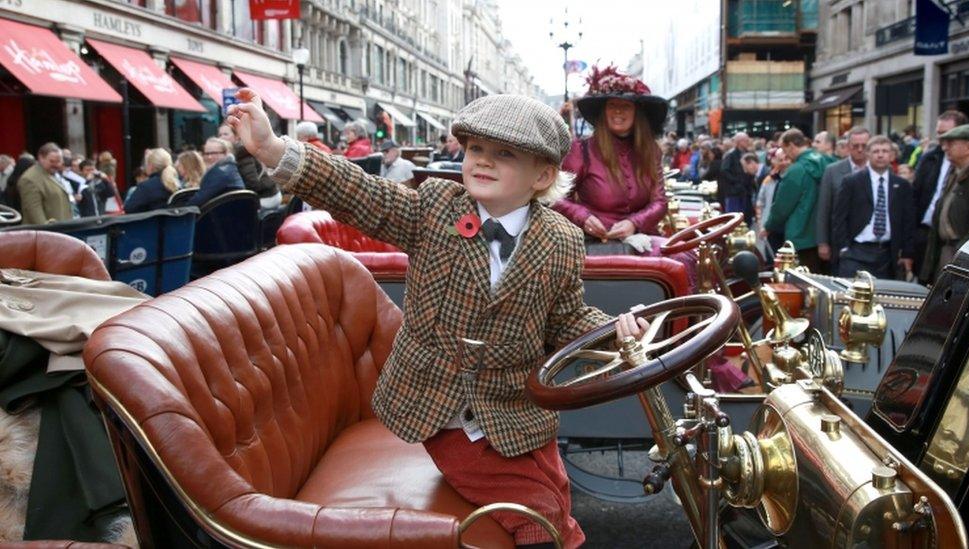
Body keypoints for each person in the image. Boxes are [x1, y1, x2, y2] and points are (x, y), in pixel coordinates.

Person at [226, 88, 651, 549]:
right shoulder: (434, 207)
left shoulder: (562, 240)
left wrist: (614, 330)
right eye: (475, 149)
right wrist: (274, 150)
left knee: (555, 486)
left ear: (543, 174)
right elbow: (358, 192)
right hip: (439, 407)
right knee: (536, 512)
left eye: (504, 153)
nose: (482, 161)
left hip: (513, 405)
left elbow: (565, 317)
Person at [552, 65, 698, 287]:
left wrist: (634, 223)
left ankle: (683, 321)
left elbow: (659, 202)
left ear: (636, 113)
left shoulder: (651, 151)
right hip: (591, 241)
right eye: (613, 105)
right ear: (604, 112)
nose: (618, 112)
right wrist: (583, 218)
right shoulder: (580, 150)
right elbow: (556, 197)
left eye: (625, 106)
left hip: (641, 239)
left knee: (684, 258)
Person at [832, 136, 915, 279]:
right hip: (856, 252)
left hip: (887, 254)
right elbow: (839, 217)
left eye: (885, 151)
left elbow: (908, 220)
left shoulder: (901, 185)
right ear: (868, 154)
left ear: (892, 155)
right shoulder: (852, 182)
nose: (880, 155)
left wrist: (907, 252)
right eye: (876, 151)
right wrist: (844, 248)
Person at [913, 110, 969, 282]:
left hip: (956, 243)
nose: (942, 140)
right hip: (926, 234)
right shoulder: (929, 158)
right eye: (938, 133)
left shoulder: (967, 167)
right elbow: (916, 195)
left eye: (946, 135)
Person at [765, 129, 831, 270]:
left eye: (784, 148)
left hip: (801, 235)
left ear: (791, 146)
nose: (784, 154)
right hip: (826, 234)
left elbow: (782, 207)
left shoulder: (796, 170)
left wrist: (768, 226)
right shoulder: (828, 161)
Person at [922, 124, 969, 281]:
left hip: (962, 255)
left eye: (951, 143)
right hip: (948, 250)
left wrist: (963, 254)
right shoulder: (955, 172)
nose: (945, 148)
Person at [816, 126, 871, 272]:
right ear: (848, 147)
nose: (860, 149)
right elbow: (824, 208)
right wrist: (822, 242)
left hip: (870, 243)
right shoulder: (832, 171)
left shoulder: (878, 170)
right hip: (840, 240)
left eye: (864, 146)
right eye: (855, 146)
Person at [219, 123, 281, 210]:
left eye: (225, 134)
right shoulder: (232, 154)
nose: (222, 137)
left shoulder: (242, 153)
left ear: (237, 137)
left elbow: (252, 183)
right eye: (220, 135)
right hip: (265, 194)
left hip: (266, 197)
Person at [18, 143, 73, 225]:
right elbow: (34, 213)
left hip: (63, 229)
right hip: (47, 233)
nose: (57, 165)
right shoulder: (29, 179)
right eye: (52, 161)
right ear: (41, 158)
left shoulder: (54, 174)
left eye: (59, 161)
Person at [187, 137, 245, 207]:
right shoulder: (230, 168)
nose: (209, 157)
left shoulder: (220, 172)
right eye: (206, 154)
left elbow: (198, 201)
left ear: (226, 153)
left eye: (214, 153)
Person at [756, 147, 790, 259]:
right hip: (770, 227)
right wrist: (761, 225)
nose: (784, 163)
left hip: (789, 229)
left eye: (786, 159)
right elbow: (760, 203)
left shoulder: (794, 178)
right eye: (780, 160)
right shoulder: (768, 180)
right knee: (771, 260)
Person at [123, 148, 179, 213]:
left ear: (151, 166)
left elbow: (128, 209)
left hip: (153, 222)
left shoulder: (146, 187)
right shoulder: (178, 184)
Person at [719, 132, 754, 224]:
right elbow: (724, 171)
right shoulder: (730, 155)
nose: (748, 142)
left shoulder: (748, 154)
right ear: (740, 142)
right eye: (746, 140)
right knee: (733, 217)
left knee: (745, 217)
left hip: (746, 191)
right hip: (734, 192)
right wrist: (736, 182)